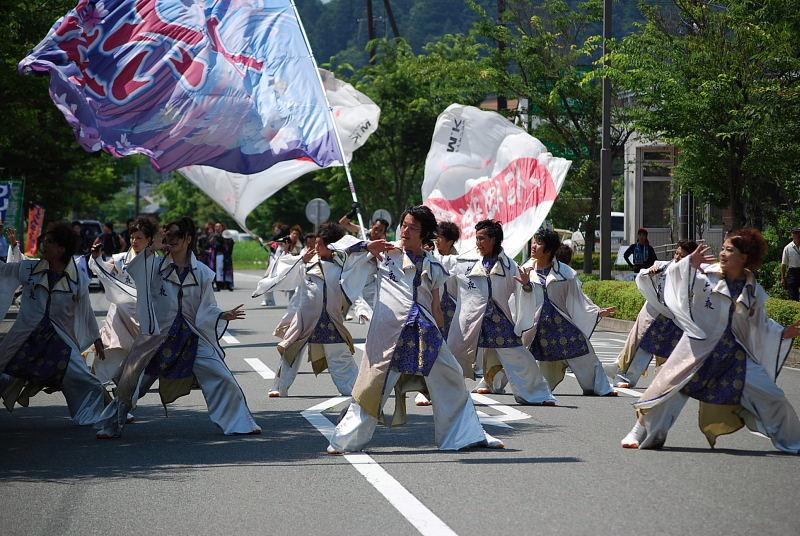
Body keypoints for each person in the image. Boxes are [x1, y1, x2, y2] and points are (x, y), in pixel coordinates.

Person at [327, 206, 503, 453]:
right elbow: (334, 251)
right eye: (405, 225)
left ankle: (464, 436)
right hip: (389, 334)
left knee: (451, 376)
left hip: (425, 333)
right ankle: (343, 440)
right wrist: (366, 247)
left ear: (425, 234)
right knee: (373, 385)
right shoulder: (385, 253)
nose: (406, 231)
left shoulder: (433, 263)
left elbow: (436, 306)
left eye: (413, 227)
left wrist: (443, 338)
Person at [621, 229, 800, 452]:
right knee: (667, 391)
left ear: (744, 257)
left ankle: (795, 441)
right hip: (696, 350)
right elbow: (675, 283)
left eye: (729, 250)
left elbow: (760, 323)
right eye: (723, 248)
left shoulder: (753, 289)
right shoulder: (704, 274)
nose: (723, 253)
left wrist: (783, 333)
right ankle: (640, 432)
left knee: (772, 396)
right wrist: (688, 265)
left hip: (734, 357)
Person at [95, 217, 260, 438]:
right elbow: (134, 270)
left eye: (174, 235)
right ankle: (111, 426)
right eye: (166, 234)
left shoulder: (202, 272)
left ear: (188, 239)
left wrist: (223, 315)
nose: (169, 239)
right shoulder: (154, 266)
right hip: (156, 337)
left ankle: (241, 423)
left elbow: (208, 307)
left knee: (223, 377)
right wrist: (153, 246)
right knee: (131, 383)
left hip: (191, 336)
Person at [0, 222, 106, 424]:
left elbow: (86, 311)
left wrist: (96, 338)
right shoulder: (29, 268)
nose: (43, 245)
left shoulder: (77, 279)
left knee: (85, 379)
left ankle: (95, 414)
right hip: (26, 337)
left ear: (61, 249)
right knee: (3, 371)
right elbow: (2, 271)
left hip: (60, 341)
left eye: (49, 242)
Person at [443, 220, 557, 405]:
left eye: (482, 238)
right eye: (477, 238)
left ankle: (537, 394)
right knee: (453, 355)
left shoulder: (509, 265)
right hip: (470, 319)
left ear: (494, 240)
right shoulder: (464, 261)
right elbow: (450, 286)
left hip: (498, 320)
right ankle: (438, 393)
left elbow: (522, 291)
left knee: (519, 355)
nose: (478, 243)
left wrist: (527, 285)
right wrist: (469, 303)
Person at [253, 223, 359, 398]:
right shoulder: (305, 261)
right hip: (305, 318)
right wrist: (300, 261)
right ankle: (279, 387)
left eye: (320, 244)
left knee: (340, 356)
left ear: (332, 247)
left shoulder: (342, 266)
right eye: (315, 243)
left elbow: (358, 270)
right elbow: (284, 269)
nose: (315, 247)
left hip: (331, 319)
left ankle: (352, 388)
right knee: (290, 352)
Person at [520, 229, 617, 396]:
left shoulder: (566, 273)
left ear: (549, 250)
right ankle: (499, 385)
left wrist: (595, 312)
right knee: (517, 355)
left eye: (539, 243)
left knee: (584, 353)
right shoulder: (524, 271)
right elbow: (519, 298)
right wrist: (526, 285)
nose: (534, 246)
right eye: (534, 242)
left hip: (563, 325)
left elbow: (578, 298)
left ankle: (600, 387)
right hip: (536, 326)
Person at [614, 240, 698, 388]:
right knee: (639, 342)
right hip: (654, 312)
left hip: (675, 318)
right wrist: (651, 272)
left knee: (668, 349)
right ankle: (624, 375)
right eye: (677, 253)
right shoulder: (663, 266)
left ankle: (666, 380)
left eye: (682, 256)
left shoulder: (695, 277)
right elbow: (644, 275)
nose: (677, 257)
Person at [88, 217, 157, 395]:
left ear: (149, 240)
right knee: (111, 352)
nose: (135, 241)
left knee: (134, 362)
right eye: (133, 237)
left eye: (140, 238)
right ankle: (105, 395)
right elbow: (102, 269)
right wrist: (96, 258)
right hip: (118, 314)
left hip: (143, 316)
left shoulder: (156, 262)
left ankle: (122, 396)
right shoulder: (120, 259)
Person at [209, 221, 235, 291]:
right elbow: (210, 243)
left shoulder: (225, 235)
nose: (218, 228)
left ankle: (226, 284)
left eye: (219, 227)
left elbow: (230, 243)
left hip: (224, 255)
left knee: (224, 270)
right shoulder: (213, 235)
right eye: (216, 226)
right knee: (217, 270)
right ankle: (218, 284)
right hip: (216, 255)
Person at [780, 227, 800, 301]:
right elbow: (783, 264)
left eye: (799, 233)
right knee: (793, 295)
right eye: (796, 233)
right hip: (793, 272)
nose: (798, 235)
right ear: (793, 235)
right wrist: (782, 278)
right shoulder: (787, 248)